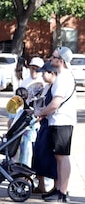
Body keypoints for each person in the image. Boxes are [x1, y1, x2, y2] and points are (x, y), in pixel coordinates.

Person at [34, 47, 76, 202]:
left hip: (62, 121)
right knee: (59, 156)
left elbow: (55, 103)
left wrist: (41, 112)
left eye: (53, 57)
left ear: (61, 61)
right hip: (58, 121)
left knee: (63, 156)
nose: (51, 59)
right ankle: (58, 189)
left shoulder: (63, 78)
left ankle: (62, 192)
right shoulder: (62, 77)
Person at [32, 62, 59, 194]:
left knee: (51, 156)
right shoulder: (47, 87)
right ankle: (41, 184)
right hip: (43, 124)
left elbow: (53, 106)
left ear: (52, 73)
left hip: (52, 125)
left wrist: (42, 112)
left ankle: (56, 185)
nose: (42, 75)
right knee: (38, 153)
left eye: (44, 73)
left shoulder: (57, 88)